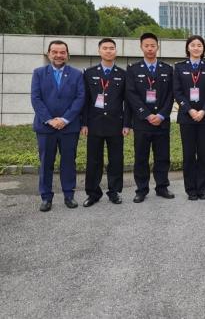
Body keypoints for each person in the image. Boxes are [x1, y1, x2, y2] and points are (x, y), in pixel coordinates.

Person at [30, 40, 85, 211]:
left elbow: (80, 98)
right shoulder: (39, 73)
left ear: (67, 55)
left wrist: (65, 119)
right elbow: (36, 98)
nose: (59, 55)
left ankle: (69, 195)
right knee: (46, 162)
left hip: (69, 127)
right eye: (55, 52)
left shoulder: (77, 74)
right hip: (45, 127)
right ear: (49, 54)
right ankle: (46, 197)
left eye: (62, 52)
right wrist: (50, 119)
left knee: (68, 162)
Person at [81, 38, 131, 207]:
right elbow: (85, 100)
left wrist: (126, 124)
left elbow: (127, 102)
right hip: (94, 123)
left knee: (116, 159)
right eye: (105, 48)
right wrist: (84, 123)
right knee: (93, 160)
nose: (108, 51)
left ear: (115, 51)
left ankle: (114, 191)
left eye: (111, 48)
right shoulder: (89, 73)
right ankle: (93, 193)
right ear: (99, 51)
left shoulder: (123, 74)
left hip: (116, 124)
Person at [126, 32, 175, 203]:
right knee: (141, 157)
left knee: (162, 157)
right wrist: (146, 115)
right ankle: (141, 189)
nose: (150, 48)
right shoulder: (133, 69)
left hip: (162, 122)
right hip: (142, 122)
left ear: (157, 47)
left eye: (152, 45)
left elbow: (171, 95)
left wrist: (161, 114)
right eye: (146, 45)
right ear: (141, 47)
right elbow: (131, 95)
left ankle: (162, 187)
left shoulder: (167, 69)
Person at [173, 35, 205, 201]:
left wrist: (203, 111)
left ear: (203, 49)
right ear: (188, 48)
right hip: (186, 117)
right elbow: (177, 92)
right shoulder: (178, 68)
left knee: (204, 155)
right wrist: (190, 110)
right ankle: (191, 190)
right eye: (193, 45)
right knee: (189, 155)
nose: (197, 48)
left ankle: (202, 189)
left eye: (200, 45)